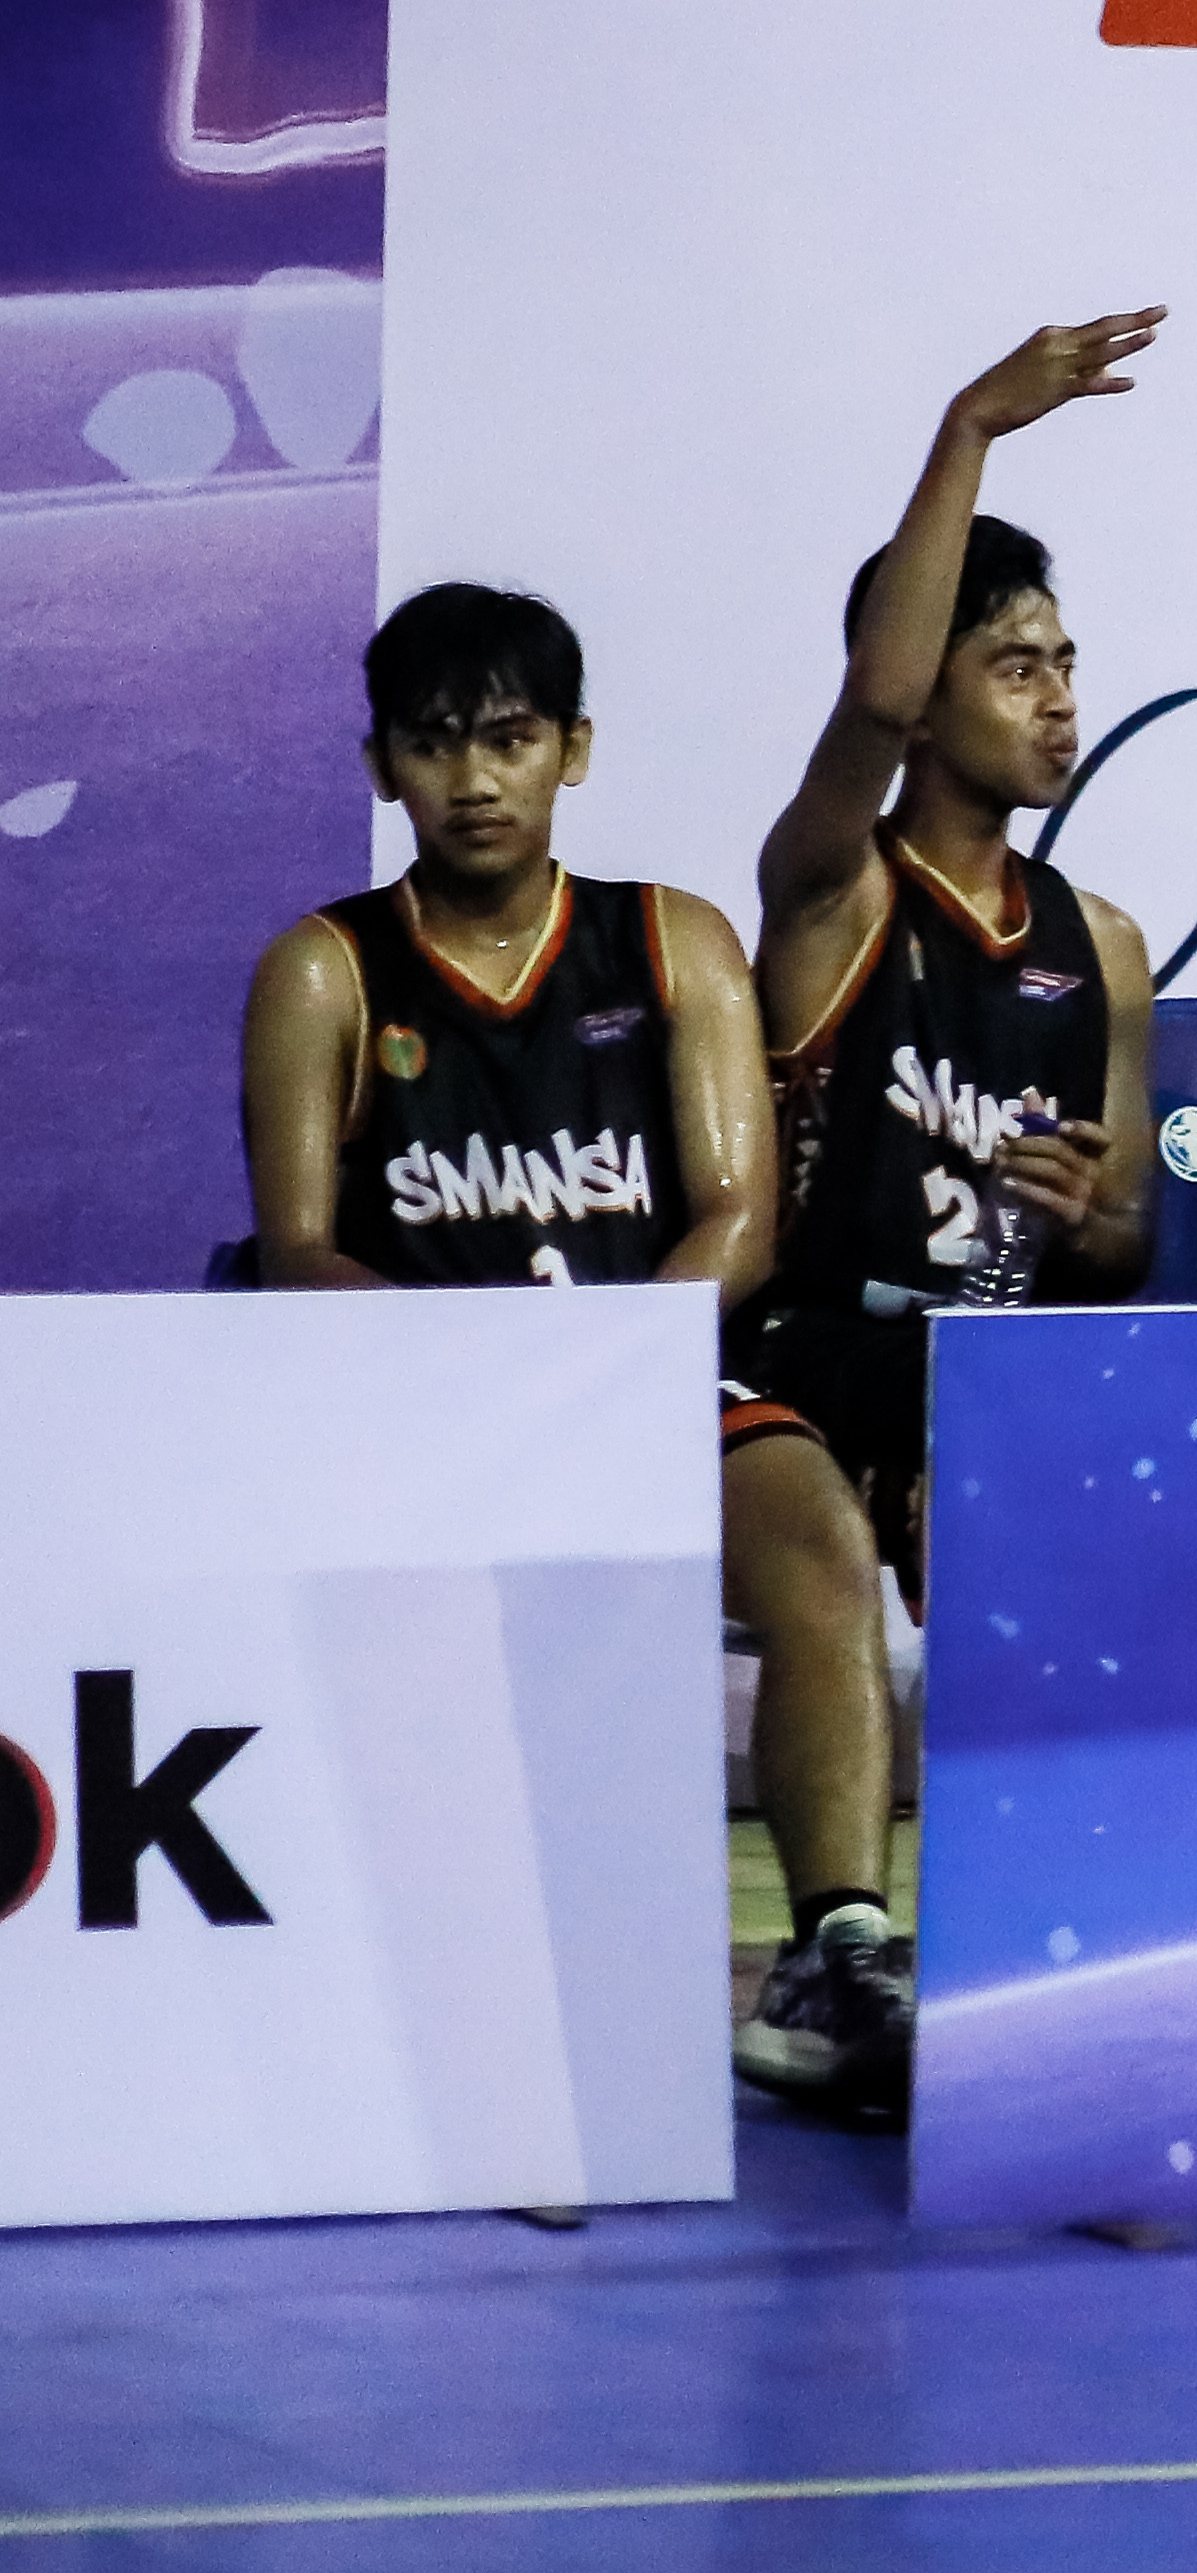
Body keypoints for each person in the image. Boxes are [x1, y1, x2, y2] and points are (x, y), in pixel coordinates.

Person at [231, 589, 882, 2107]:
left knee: (818, 1538)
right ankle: (413, 1981)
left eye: (510, 739)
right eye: (434, 743)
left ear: (574, 750)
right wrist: (484, 1381)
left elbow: (739, 1218)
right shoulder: (323, 969)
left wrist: (602, 1373)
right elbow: (294, 1249)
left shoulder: (672, 940)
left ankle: (836, 1955)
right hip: (416, 1404)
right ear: (381, 764)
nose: (474, 779)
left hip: (642, 1377)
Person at [721, 323, 1164, 1620]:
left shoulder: (1104, 944)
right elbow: (871, 701)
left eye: (1065, 665)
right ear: (927, 697)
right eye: (1016, 668)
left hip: (996, 1362)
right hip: (822, 1361)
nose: (1059, 701)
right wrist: (968, 426)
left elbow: (1126, 1242)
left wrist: (1081, 1215)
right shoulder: (837, 889)